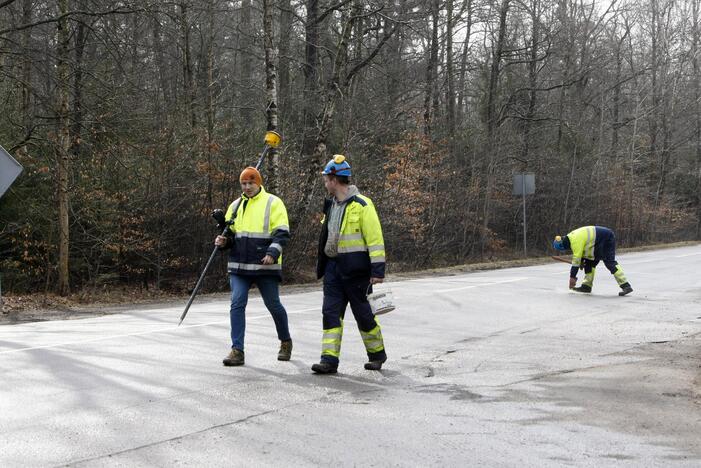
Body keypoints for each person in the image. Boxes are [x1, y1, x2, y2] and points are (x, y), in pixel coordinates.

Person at [311, 154, 388, 374]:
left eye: (326, 179)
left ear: (335, 180)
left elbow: (375, 240)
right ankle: (329, 360)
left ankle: (377, 354)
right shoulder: (331, 206)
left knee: (364, 315)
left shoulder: (363, 205)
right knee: (330, 313)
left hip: (357, 272)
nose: (325, 183)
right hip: (333, 270)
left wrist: (377, 270)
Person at [215, 166, 292, 366]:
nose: (247, 187)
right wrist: (224, 242)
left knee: (273, 304)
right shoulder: (235, 206)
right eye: (244, 183)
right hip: (239, 266)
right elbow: (231, 234)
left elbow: (282, 233)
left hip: (265, 266)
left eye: (251, 183)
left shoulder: (273, 203)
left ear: (259, 183)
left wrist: (272, 253)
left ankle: (285, 341)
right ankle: (237, 350)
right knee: (237, 303)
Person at [552, 225, 633, 296]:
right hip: (596, 242)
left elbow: (576, 260)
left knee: (609, 262)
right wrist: (582, 261)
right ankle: (586, 286)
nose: (566, 250)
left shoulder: (574, 242)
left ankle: (626, 286)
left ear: (563, 246)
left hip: (606, 238)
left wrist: (572, 277)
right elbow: (583, 251)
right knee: (589, 263)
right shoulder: (570, 238)